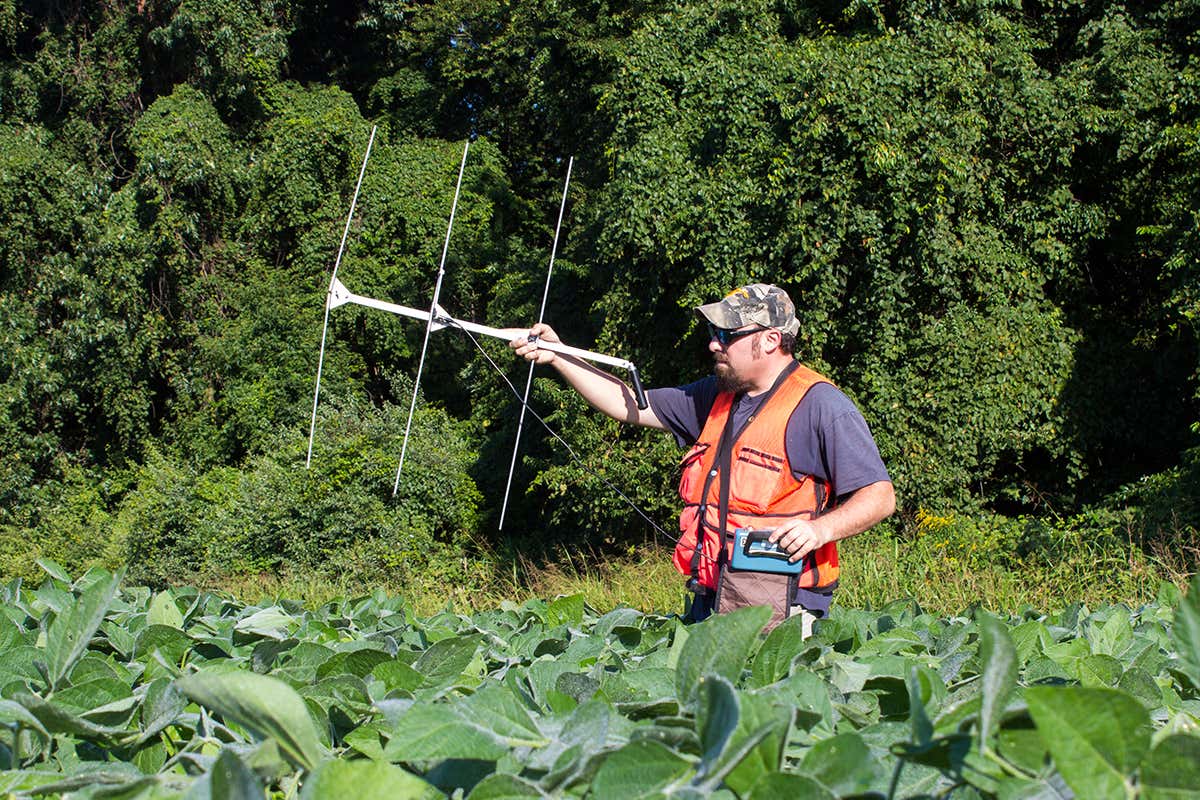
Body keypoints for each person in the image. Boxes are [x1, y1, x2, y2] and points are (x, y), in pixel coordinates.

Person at [509, 284, 894, 635]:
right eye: (714, 334)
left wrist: (818, 531)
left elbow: (879, 497)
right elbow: (626, 403)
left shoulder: (821, 406)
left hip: (783, 614)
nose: (714, 344)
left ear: (771, 339)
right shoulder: (716, 395)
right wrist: (559, 356)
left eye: (727, 335)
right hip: (709, 602)